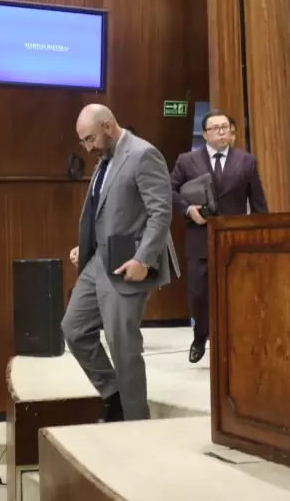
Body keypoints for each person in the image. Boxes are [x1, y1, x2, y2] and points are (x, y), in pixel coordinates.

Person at [63, 104, 178, 422]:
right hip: (99, 259)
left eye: (90, 139)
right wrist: (86, 246)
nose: (87, 148)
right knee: (74, 329)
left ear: (108, 126)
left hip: (128, 260)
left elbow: (160, 213)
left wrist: (143, 259)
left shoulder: (143, 155)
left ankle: (136, 422)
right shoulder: (105, 159)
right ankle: (114, 395)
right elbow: (106, 212)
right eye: (83, 142)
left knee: (123, 346)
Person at [170, 110, 268, 363]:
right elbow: (169, 191)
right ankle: (200, 336)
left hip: (234, 239)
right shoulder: (187, 160)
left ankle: (234, 343)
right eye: (216, 128)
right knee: (199, 294)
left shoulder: (246, 161)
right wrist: (188, 210)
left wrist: (260, 236)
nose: (222, 132)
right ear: (205, 134)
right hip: (199, 238)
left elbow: (258, 202)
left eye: (225, 127)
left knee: (235, 293)